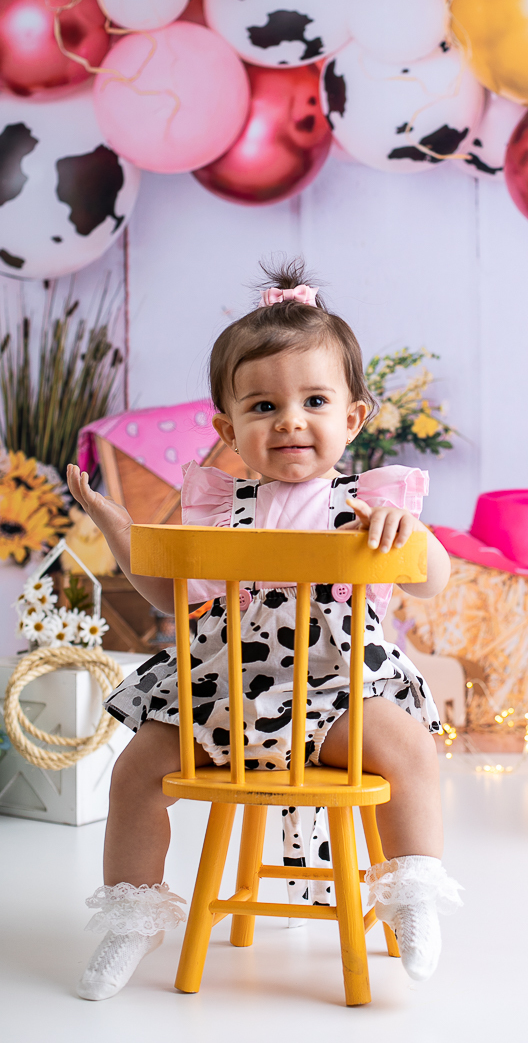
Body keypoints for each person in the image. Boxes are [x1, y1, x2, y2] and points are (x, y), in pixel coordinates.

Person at [66, 259, 461, 1002]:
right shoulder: (220, 506)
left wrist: (410, 535)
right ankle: (132, 910)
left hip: (338, 692)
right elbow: (171, 596)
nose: (289, 420)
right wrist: (122, 532)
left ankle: (410, 890)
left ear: (352, 418)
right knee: (137, 768)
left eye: (314, 400)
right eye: (262, 406)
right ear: (229, 428)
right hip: (226, 693)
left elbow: (433, 580)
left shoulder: (368, 501)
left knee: (406, 743)